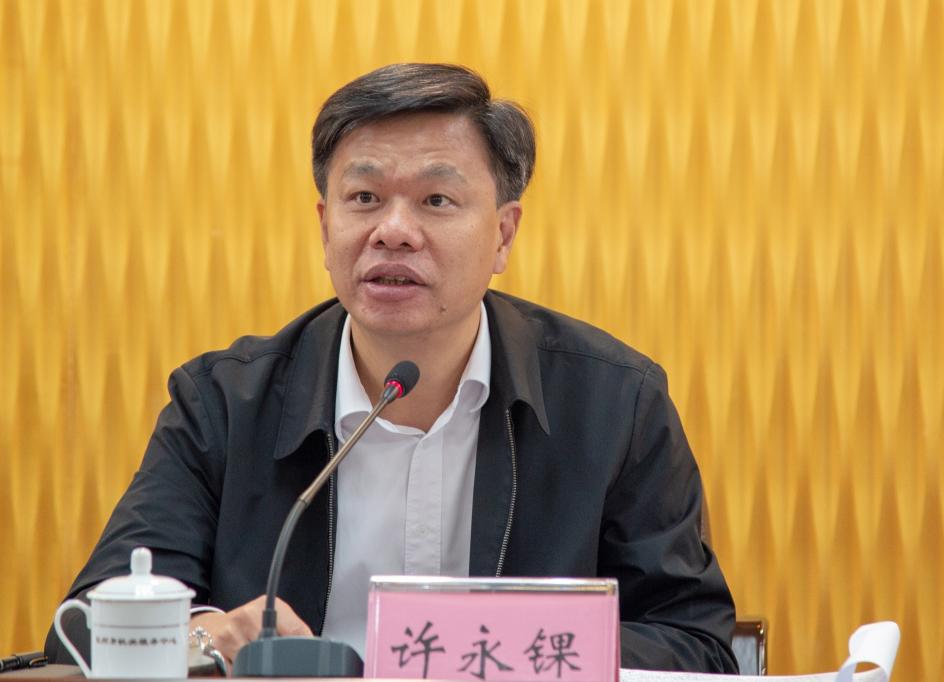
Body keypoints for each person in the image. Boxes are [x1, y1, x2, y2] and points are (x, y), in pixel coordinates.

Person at [45, 63, 738, 673]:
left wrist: (513, 655)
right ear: (326, 227)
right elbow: (86, 626)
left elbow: (694, 639)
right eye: (364, 199)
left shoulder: (614, 403)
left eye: (437, 201)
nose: (394, 231)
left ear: (503, 234)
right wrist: (204, 639)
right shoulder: (223, 404)